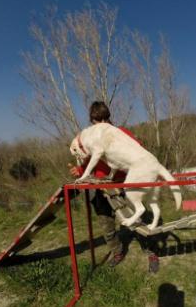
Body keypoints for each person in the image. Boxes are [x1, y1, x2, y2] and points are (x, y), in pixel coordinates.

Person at [68, 101, 161, 273]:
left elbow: (138, 153)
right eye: (96, 122)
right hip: (100, 185)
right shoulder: (91, 137)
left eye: (101, 121)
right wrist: (80, 170)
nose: (99, 125)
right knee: (106, 223)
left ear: (107, 118)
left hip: (123, 183)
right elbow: (88, 158)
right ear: (93, 121)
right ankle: (117, 251)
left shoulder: (121, 133)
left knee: (138, 218)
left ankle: (151, 251)